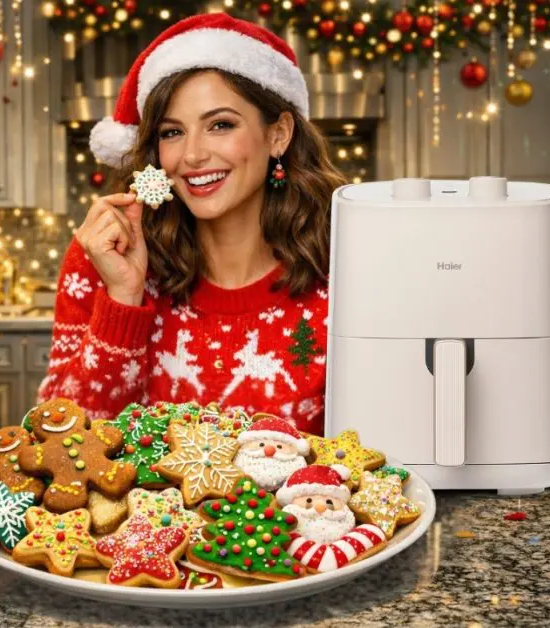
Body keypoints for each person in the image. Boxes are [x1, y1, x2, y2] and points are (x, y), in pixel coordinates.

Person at [36, 13, 346, 436]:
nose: (193, 155)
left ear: (279, 134)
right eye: (171, 132)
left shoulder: (344, 271)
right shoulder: (103, 258)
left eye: (220, 125)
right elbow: (61, 441)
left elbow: (369, 453)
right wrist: (123, 301)